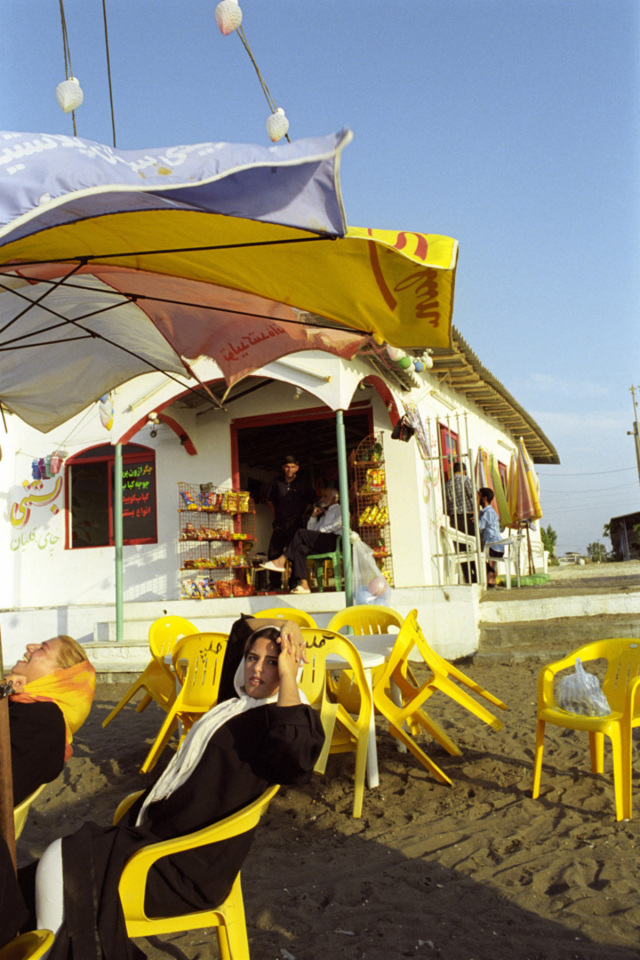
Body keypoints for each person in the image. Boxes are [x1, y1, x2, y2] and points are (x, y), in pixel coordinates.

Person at [27, 619, 324, 960]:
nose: (257, 669)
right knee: (34, 879)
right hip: (155, 837)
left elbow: (295, 760)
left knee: (56, 863)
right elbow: (242, 628)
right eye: (253, 658)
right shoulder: (236, 702)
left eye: (272, 662)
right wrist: (288, 624)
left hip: (182, 865)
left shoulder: (279, 724)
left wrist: (289, 675)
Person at [3, 635, 96, 805]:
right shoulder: (27, 709)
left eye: (42, 649)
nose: (29, 645)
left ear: (57, 675)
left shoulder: (41, 719)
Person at [260, 487, 341, 595]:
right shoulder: (324, 513)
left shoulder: (339, 509)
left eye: (325, 496)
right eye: (322, 496)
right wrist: (313, 516)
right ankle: (304, 584)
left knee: (299, 532)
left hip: (332, 540)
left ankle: (281, 560)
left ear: (334, 499)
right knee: (299, 548)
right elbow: (311, 530)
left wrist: (321, 530)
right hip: (320, 540)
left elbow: (339, 523)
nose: (322, 499)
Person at [265, 455, 316, 590]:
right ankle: (275, 584)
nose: (289, 469)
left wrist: (302, 514)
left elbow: (311, 500)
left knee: (294, 553)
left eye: (292, 467)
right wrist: (274, 514)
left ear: (297, 468)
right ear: (283, 468)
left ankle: (294, 583)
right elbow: (269, 500)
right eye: (287, 466)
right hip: (280, 523)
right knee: (273, 553)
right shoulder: (276, 482)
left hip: (296, 523)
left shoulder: (303, 482)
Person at [444, 462, 476, 583]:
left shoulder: (447, 484)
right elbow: (474, 496)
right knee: (473, 548)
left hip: (454, 520)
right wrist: (476, 511)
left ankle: (468, 579)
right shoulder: (466, 480)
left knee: (461, 551)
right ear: (463, 471)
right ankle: (477, 577)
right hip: (468, 518)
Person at [478, 487, 505, 587]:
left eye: (479, 496)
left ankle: (490, 572)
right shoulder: (491, 512)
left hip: (493, 548)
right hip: (499, 548)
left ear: (484, 498)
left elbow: (479, 526)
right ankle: (492, 574)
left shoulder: (487, 513)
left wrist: (476, 514)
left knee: (476, 556)